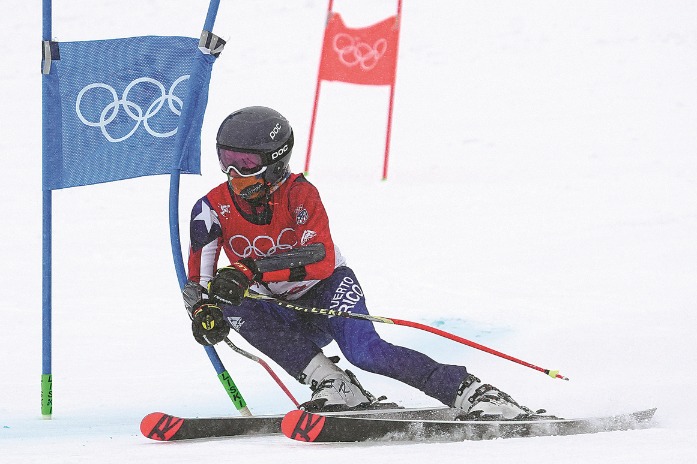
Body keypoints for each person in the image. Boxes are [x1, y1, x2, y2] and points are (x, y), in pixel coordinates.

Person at [182, 106, 536, 419]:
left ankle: (470, 392)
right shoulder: (210, 209)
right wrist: (203, 310)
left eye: (246, 163)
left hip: (326, 290)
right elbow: (199, 282)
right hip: (281, 310)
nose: (234, 173)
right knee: (232, 302)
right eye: (226, 160)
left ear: (276, 160)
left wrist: (252, 269)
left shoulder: (300, 193)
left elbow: (319, 257)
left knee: (366, 353)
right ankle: (334, 384)